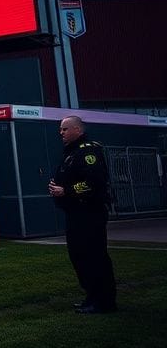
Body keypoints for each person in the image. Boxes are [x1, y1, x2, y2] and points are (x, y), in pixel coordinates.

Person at [48, 116, 116, 314]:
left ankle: (103, 301)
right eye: (60, 129)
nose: (61, 133)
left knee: (94, 256)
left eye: (65, 129)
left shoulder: (88, 151)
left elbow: (94, 182)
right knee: (78, 256)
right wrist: (56, 187)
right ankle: (91, 296)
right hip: (75, 212)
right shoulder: (71, 152)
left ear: (77, 130)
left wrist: (66, 191)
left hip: (89, 212)